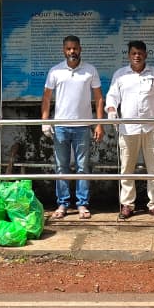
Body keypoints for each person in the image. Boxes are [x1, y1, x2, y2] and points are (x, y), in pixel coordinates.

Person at [105, 40, 154, 220]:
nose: (137, 56)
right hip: (128, 127)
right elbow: (112, 97)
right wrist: (112, 110)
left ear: (146, 54)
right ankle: (127, 204)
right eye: (134, 53)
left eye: (140, 53)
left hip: (153, 126)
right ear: (129, 55)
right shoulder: (120, 75)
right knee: (127, 167)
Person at [40, 35, 105, 221]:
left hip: (83, 126)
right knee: (61, 166)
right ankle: (62, 203)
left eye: (75, 48)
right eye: (68, 49)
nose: (72, 52)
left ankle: (82, 203)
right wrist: (45, 121)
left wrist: (99, 124)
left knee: (82, 166)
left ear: (80, 49)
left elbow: (99, 98)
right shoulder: (55, 71)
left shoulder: (90, 70)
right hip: (60, 126)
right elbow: (46, 98)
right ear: (63, 50)